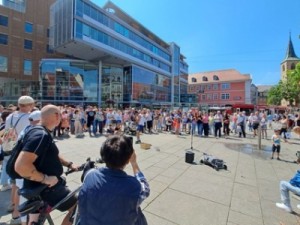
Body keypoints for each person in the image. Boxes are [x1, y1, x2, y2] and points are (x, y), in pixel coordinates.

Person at [14, 104, 78, 225]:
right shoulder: (40, 135)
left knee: (35, 220)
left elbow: (50, 154)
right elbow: (21, 166)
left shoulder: (37, 130)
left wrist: (69, 164)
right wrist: (46, 179)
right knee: (77, 207)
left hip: (35, 186)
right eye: (60, 114)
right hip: (48, 188)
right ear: (56, 116)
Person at [78, 135, 150, 225]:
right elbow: (145, 188)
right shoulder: (134, 186)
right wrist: (134, 163)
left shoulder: (90, 175)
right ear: (128, 160)